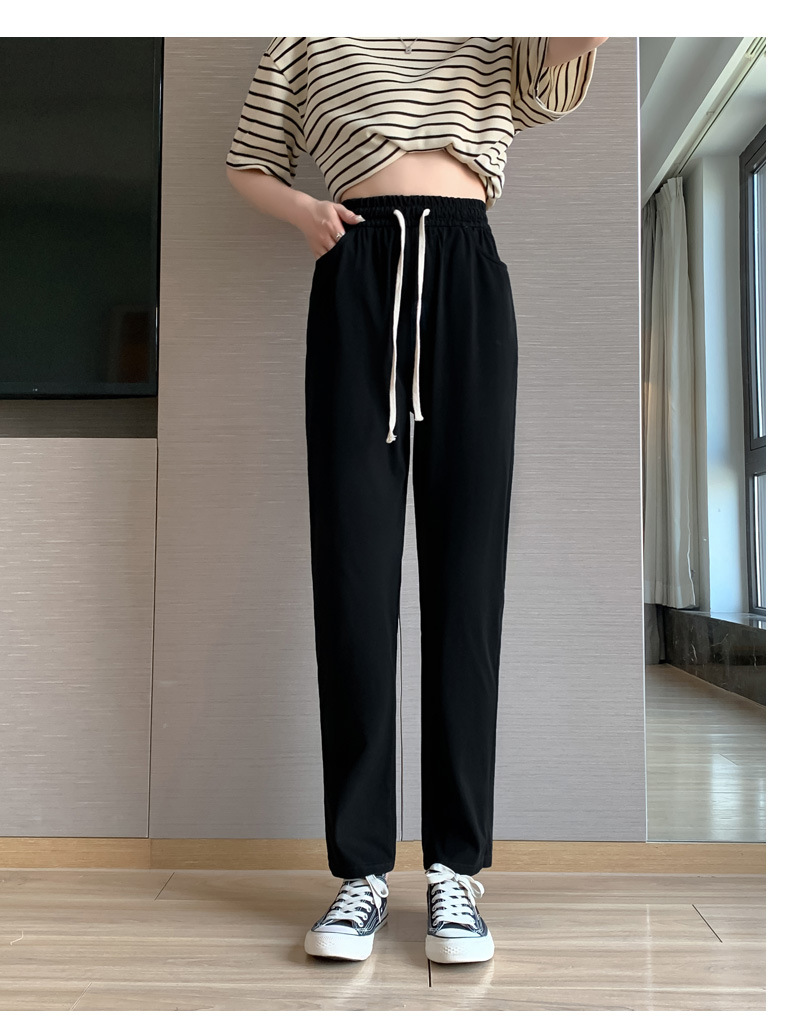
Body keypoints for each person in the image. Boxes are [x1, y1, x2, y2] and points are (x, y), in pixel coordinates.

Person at [225, 35, 607, 965]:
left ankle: (454, 872)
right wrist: (306, 213)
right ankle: (360, 872)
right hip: (358, 272)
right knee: (353, 580)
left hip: (468, 272)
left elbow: (582, 38)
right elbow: (247, 161)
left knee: (467, 590)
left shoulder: (495, 30)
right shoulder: (307, 34)